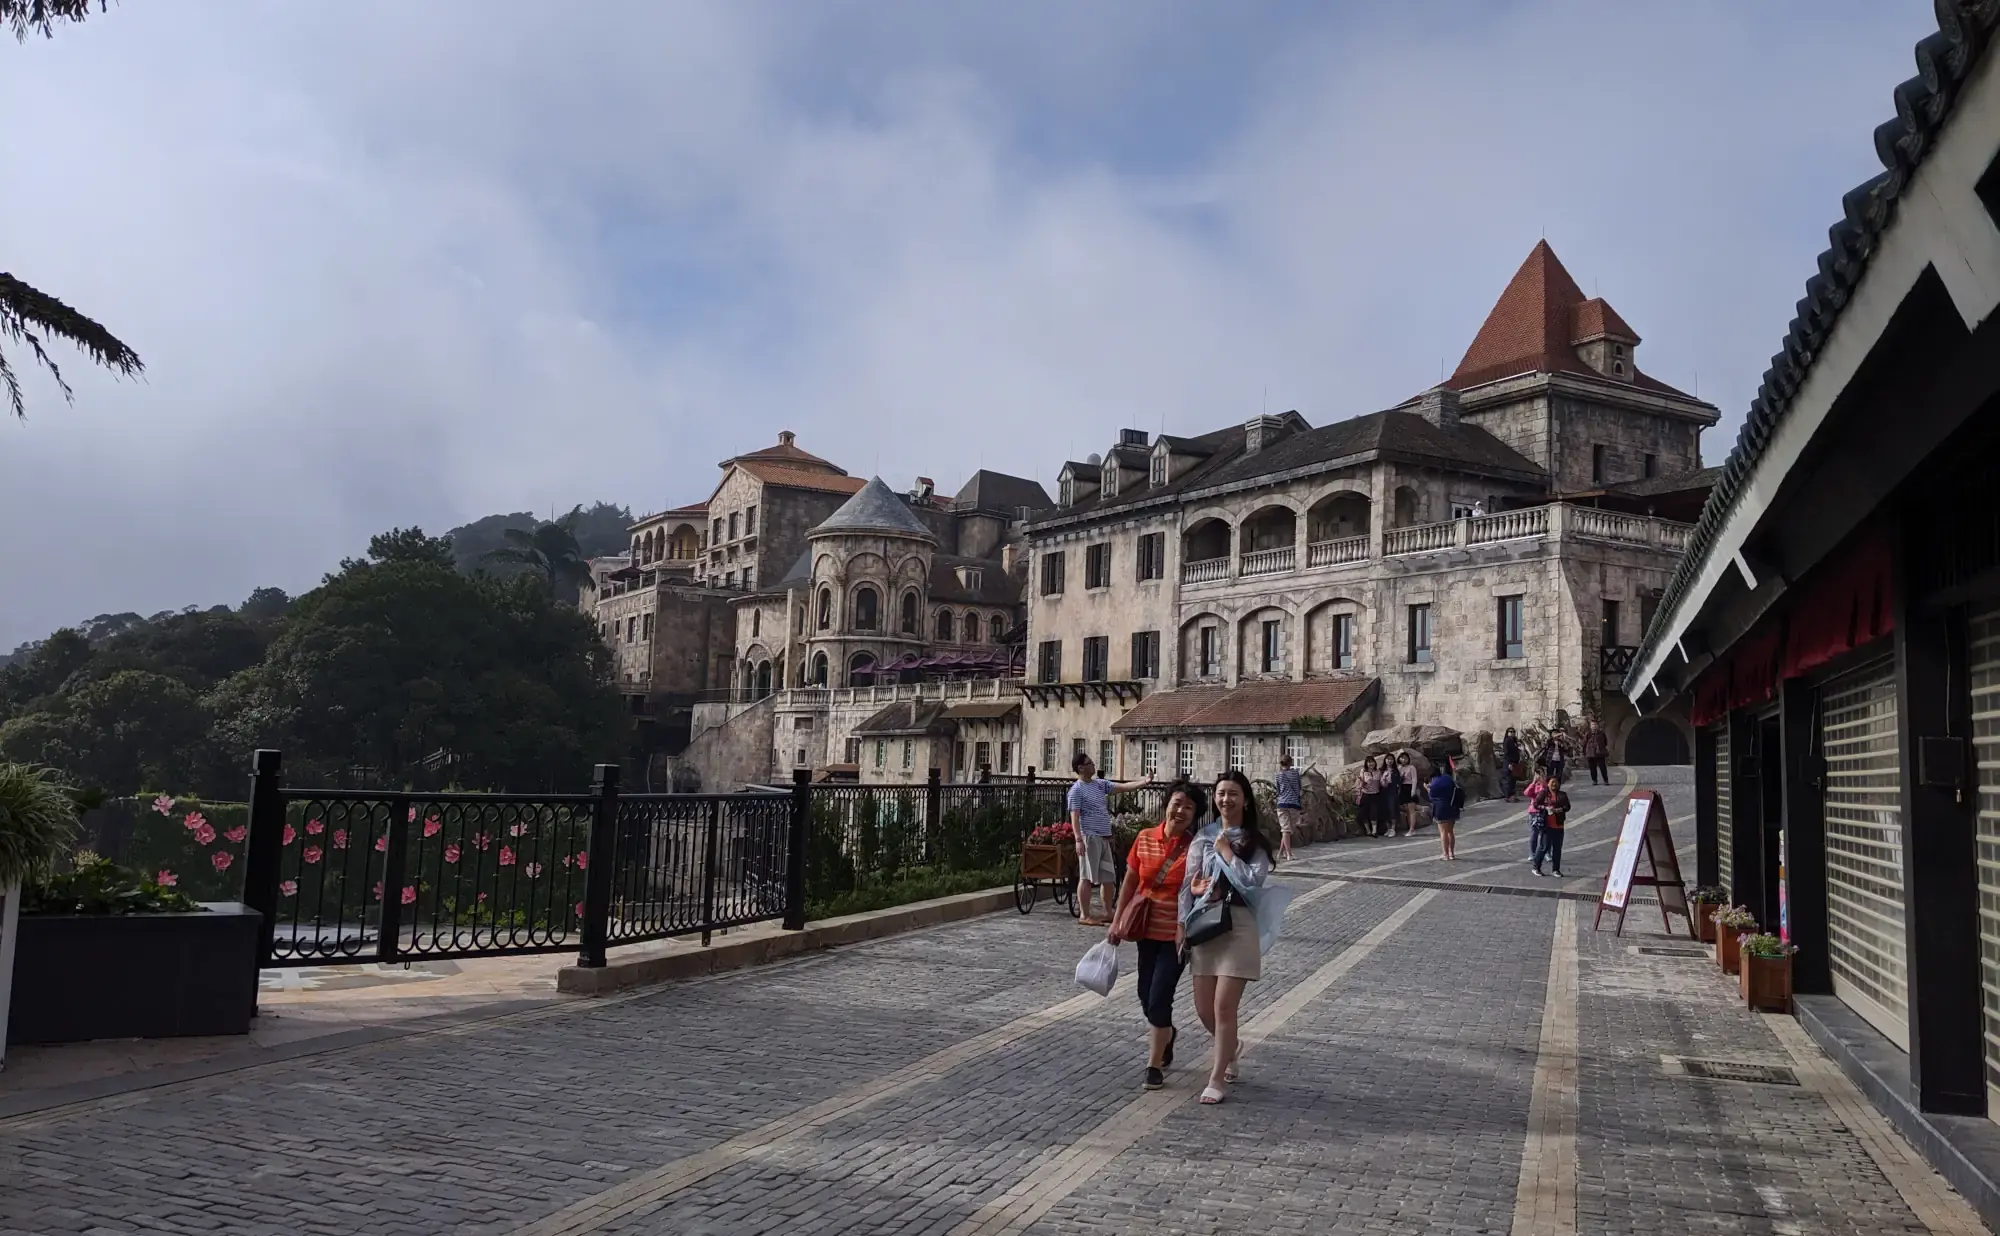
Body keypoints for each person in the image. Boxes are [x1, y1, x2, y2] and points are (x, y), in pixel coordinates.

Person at [1183, 770, 1288, 1105]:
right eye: (1221, 793)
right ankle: (1231, 1045)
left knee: (1224, 1006)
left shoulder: (1255, 842)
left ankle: (1217, 1078)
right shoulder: (1203, 836)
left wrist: (1227, 852)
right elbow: (1187, 883)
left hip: (1239, 925)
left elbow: (1252, 883)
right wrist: (1191, 903)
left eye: (1233, 793)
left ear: (1245, 800)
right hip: (1206, 924)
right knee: (1204, 1009)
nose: (1225, 799)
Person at [1106, 779, 1201, 1090]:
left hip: (1176, 937)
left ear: (1195, 814)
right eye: (1177, 803)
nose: (1181, 811)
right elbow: (1130, 882)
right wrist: (1116, 921)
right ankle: (1168, 1034)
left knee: (1160, 997)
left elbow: (1198, 892)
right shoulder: (1145, 838)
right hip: (1144, 930)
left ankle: (1153, 1064)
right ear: (1166, 805)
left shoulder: (1196, 848)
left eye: (1189, 807)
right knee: (1145, 996)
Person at [1067, 751, 1153, 927]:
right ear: (1081, 768)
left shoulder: (1099, 784)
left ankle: (1107, 912)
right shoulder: (1076, 790)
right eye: (1089, 763)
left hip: (1104, 837)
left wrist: (1144, 782)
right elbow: (1074, 817)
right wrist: (1078, 840)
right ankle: (1085, 914)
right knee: (1086, 877)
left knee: (1108, 877)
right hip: (1090, 837)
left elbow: (1122, 787)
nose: (1093, 765)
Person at [1531, 772, 1572, 877]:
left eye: (1556, 782)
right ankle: (1536, 867)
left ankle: (1556, 870)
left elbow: (1567, 806)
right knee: (1544, 847)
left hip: (1559, 825)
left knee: (1557, 849)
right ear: (1548, 783)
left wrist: (1560, 809)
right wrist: (1545, 808)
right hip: (1547, 825)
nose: (1554, 784)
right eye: (1552, 782)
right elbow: (1535, 804)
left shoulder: (1562, 794)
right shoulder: (1543, 793)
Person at [1428, 758, 1464, 860]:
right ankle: (1452, 853)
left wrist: (1427, 789)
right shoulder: (1448, 778)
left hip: (1440, 808)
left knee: (1443, 832)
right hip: (1452, 807)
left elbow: (1431, 797)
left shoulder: (1434, 782)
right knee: (1450, 832)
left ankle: (1445, 854)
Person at [1274, 754, 1303, 861]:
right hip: (1294, 804)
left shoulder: (1278, 775)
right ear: (1291, 763)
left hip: (1281, 803)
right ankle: (1289, 854)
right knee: (1288, 830)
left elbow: (1278, 790)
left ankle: (1281, 852)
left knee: (1286, 830)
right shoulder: (1295, 773)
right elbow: (1299, 787)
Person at [1396, 752, 1422, 836]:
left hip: (1410, 787)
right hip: (1402, 788)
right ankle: (1410, 828)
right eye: (1402, 758)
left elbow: (1414, 779)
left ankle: (1412, 829)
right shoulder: (1399, 768)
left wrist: (1413, 791)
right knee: (1406, 809)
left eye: (1405, 758)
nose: (1404, 760)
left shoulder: (1411, 767)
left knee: (1411, 810)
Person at [1356, 756, 1382, 837]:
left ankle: (1374, 831)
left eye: (1372, 761)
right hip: (1365, 794)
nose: (1371, 764)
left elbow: (1381, 783)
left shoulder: (1378, 771)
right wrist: (1364, 782)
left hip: (1375, 794)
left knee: (1374, 812)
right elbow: (1361, 783)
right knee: (1364, 813)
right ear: (1366, 763)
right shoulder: (1363, 771)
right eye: (1369, 762)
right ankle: (1368, 830)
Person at [1524, 769, 1547, 861]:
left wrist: (1542, 782)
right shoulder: (1534, 785)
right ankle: (1532, 853)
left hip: (1544, 811)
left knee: (1545, 833)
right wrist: (1533, 783)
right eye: (1536, 775)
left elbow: (1545, 792)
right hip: (1533, 811)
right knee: (1534, 833)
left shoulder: (1546, 785)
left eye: (1540, 774)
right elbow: (1526, 793)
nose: (1538, 777)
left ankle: (1545, 852)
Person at [1583, 720, 1609, 786]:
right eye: (1592, 725)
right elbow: (1584, 743)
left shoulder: (1601, 734)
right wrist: (1585, 752)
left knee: (1602, 767)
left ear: (1597, 726)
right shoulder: (1588, 734)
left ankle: (1605, 780)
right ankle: (1594, 780)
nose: (1594, 726)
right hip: (1590, 754)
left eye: (1595, 724)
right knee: (1592, 768)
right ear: (1590, 726)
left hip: (1600, 753)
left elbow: (1605, 742)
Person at [1500, 728, 1522, 802]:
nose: (1512, 733)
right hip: (1509, 763)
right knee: (1508, 780)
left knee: (1513, 780)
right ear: (1507, 733)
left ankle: (1512, 796)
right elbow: (1506, 753)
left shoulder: (1513, 741)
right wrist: (1509, 763)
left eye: (1513, 732)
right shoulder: (1507, 741)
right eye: (1510, 732)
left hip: (1514, 763)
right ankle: (1508, 796)